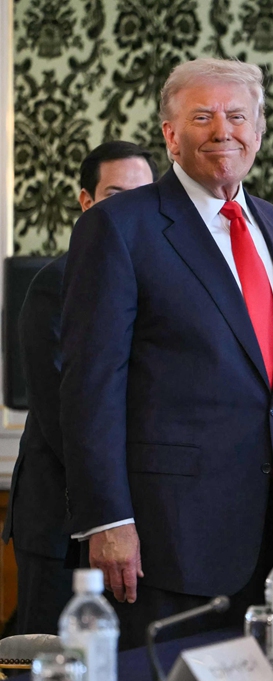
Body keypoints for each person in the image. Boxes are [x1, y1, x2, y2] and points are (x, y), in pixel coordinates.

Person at [59, 58, 273, 647]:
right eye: (202, 116)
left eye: (237, 116)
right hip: (166, 540)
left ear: (259, 131)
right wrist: (109, 519)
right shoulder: (119, 227)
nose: (222, 129)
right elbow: (90, 385)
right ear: (171, 135)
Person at [1, 141, 157, 635]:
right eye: (116, 196)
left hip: (137, 518)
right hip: (62, 522)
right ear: (86, 202)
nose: (130, 210)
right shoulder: (56, 283)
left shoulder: (158, 283)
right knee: (50, 667)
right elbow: (69, 419)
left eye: (143, 197)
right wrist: (115, 511)